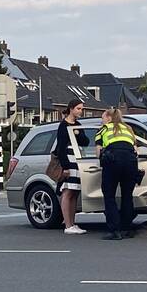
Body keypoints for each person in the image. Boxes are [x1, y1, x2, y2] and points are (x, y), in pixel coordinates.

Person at [95, 108, 139, 240]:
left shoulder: (103, 129)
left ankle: (114, 230)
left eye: (103, 118)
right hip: (130, 163)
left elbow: (98, 152)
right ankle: (127, 229)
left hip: (113, 161)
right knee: (127, 195)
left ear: (109, 118)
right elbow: (136, 150)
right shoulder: (128, 129)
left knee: (109, 195)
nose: (102, 120)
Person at [54, 100, 86, 235]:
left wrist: (78, 133)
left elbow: (85, 141)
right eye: (78, 109)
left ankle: (72, 223)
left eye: (81, 109)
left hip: (77, 159)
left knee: (75, 192)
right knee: (67, 191)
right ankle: (67, 224)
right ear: (71, 109)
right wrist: (65, 166)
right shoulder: (63, 125)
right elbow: (61, 147)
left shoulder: (78, 124)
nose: (80, 111)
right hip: (69, 159)